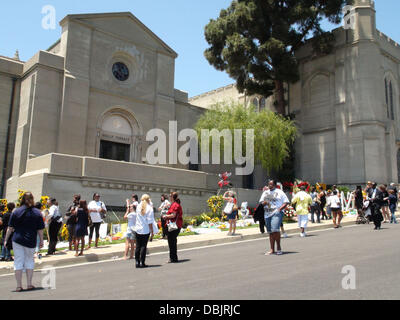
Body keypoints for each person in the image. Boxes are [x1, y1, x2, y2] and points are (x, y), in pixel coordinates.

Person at [4, 192, 44, 292]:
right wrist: (42, 240)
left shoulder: (16, 211)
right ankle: (29, 284)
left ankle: (18, 286)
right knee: (29, 261)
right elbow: (40, 229)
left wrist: (6, 239)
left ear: (22, 199)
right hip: (30, 240)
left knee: (18, 262)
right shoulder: (37, 212)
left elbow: (10, 227)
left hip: (17, 239)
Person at [259, 179, 289, 256]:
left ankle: (278, 247)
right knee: (270, 232)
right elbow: (261, 202)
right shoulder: (265, 192)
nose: (270, 186)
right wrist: (264, 202)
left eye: (271, 184)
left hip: (276, 213)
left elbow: (286, 202)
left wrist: (279, 209)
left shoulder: (279, 192)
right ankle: (272, 249)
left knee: (275, 230)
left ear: (275, 185)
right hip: (267, 214)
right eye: (269, 184)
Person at [134, 194, 154, 268]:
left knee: (138, 246)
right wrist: (152, 231)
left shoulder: (138, 206)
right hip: (145, 229)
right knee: (143, 246)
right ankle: (142, 262)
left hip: (138, 229)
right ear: (148, 199)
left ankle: (137, 261)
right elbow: (150, 222)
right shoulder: (149, 208)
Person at [164, 192, 183, 263]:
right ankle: (173, 257)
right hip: (176, 225)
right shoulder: (174, 204)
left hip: (175, 226)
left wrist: (166, 216)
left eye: (170, 196)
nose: (169, 197)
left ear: (172, 197)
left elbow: (173, 215)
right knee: (172, 242)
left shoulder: (175, 205)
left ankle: (173, 258)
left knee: (172, 242)